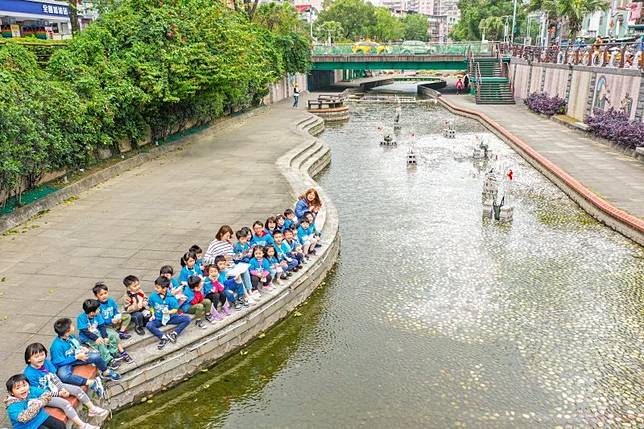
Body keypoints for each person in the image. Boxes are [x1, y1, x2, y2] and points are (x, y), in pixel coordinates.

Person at [23, 343, 106, 428]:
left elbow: (54, 377)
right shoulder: (29, 374)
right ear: (29, 359)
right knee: (65, 403)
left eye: (42, 354)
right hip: (44, 396)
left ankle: (92, 409)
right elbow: (39, 393)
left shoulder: (46, 363)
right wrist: (59, 394)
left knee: (77, 390)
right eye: (36, 356)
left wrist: (62, 388)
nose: (41, 358)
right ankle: (82, 425)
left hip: (54, 387)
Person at [50, 318, 120, 392]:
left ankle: (105, 371)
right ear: (66, 332)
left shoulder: (71, 336)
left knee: (95, 356)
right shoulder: (56, 346)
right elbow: (58, 362)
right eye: (72, 326)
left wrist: (82, 348)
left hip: (77, 357)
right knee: (64, 376)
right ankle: (89, 382)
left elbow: (76, 346)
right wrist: (76, 357)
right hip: (65, 363)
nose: (74, 326)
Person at [77, 299, 131, 366]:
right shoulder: (81, 318)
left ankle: (113, 352)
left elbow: (102, 326)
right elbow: (85, 331)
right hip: (87, 337)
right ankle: (108, 360)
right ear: (92, 313)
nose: (99, 310)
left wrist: (105, 336)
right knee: (100, 343)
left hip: (97, 332)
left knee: (113, 335)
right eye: (97, 309)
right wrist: (96, 338)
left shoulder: (98, 315)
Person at [146, 276, 192, 350]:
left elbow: (175, 309)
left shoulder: (171, 298)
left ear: (164, 289)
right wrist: (153, 314)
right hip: (158, 319)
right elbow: (151, 306)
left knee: (187, 319)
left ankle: (174, 333)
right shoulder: (153, 296)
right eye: (155, 287)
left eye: (157, 288)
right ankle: (163, 337)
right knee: (149, 325)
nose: (155, 289)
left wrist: (169, 312)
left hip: (171, 317)